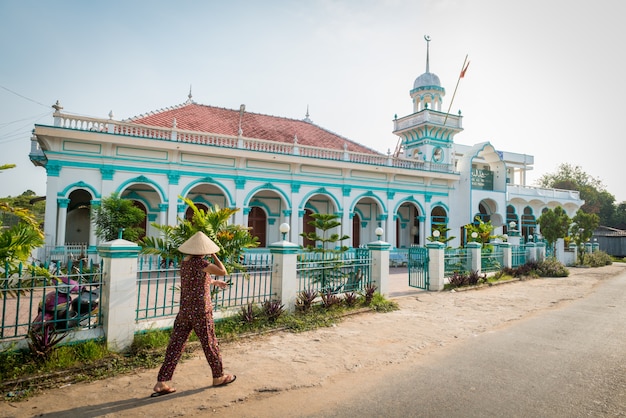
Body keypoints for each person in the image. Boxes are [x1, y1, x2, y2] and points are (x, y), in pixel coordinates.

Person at [152, 231, 236, 397]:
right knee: (210, 343)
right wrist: (215, 255)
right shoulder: (203, 263)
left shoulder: (186, 263)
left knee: (176, 345)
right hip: (201, 311)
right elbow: (223, 271)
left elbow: (195, 279)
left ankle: (162, 381)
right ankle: (218, 376)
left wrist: (213, 282)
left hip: (185, 310)